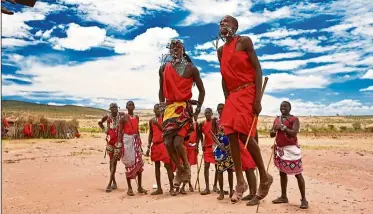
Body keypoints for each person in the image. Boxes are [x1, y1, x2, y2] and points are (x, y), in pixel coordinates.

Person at [216, 15, 273, 203]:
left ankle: (264, 177)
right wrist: (227, 99)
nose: (222, 24)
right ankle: (240, 181)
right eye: (220, 22)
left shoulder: (245, 41)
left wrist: (257, 99)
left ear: (235, 26)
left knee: (242, 135)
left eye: (226, 21)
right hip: (232, 96)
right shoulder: (221, 51)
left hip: (248, 91)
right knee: (231, 135)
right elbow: (224, 77)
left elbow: (258, 69)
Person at [158, 39, 205, 189]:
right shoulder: (163, 68)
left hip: (184, 110)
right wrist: (161, 106)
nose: (175, 50)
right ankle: (179, 168)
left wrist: (197, 111)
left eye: (178, 47)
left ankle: (185, 166)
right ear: (169, 50)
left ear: (183, 50)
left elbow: (202, 91)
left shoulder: (192, 69)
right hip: (169, 109)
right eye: (172, 47)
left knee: (178, 143)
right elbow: (161, 90)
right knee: (167, 143)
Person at [270, 101, 308, 209]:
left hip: (291, 150)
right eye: (281, 106)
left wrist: (284, 128)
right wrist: (275, 129)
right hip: (281, 150)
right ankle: (283, 196)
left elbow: (294, 133)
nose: (283, 108)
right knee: (282, 173)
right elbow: (271, 134)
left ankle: (304, 199)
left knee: (298, 173)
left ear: (289, 108)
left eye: (285, 106)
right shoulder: (277, 119)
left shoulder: (294, 119)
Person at [118, 101, 147, 196]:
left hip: (135, 142)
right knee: (129, 163)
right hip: (127, 142)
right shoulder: (123, 119)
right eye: (129, 105)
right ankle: (129, 188)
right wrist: (119, 144)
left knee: (139, 164)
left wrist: (139, 143)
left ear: (134, 107)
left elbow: (137, 131)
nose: (131, 106)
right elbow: (119, 132)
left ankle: (139, 187)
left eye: (132, 105)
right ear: (126, 107)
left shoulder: (137, 117)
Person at [145, 104, 175, 196]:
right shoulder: (151, 121)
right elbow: (151, 134)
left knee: (168, 166)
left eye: (159, 108)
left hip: (164, 144)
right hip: (155, 145)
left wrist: (157, 124)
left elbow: (165, 131)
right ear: (154, 110)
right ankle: (159, 188)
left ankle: (171, 188)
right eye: (156, 109)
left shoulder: (165, 119)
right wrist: (148, 146)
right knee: (156, 167)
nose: (158, 110)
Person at [98, 103, 125, 192]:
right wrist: (106, 130)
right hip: (110, 142)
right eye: (112, 108)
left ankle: (109, 184)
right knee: (111, 163)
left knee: (113, 162)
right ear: (110, 109)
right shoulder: (107, 116)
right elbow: (100, 122)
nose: (114, 109)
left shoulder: (121, 115)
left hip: (118, 142)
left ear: (117, 108)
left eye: (115, 107)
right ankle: (114, 182)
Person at [212, 104, 234, 200]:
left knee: (230, 170)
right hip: (219, 150)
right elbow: (212, 134)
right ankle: (221, 192)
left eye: (222, 109)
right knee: (220, 171)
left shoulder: (230, 119)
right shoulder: (216, 121)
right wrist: (218, 144)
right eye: (219, 109)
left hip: (229, 149)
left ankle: (231, 190)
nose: (220, 110)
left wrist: (230, 145)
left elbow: (232, 133)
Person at [199, 108, 219, 195]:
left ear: (211, 113)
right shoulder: (203, 123)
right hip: (206, 147)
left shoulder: (214, 121)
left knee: (217, 167)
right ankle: (207, 188)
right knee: (206, 167)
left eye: (209, 113)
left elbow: (217, 133)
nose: (207, 114)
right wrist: (202, 144)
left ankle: (215, 185)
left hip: (214, 147)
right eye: (206, 113)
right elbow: (201, 135)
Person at [179, 120, 199, 194]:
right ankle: (185, 185)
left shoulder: (196, 124)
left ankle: (184, 186)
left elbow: (198, 135)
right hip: (183, 147)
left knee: (188, 167)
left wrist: (197, 145)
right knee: (184, 167)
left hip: (191, 148)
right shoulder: (183, 123)